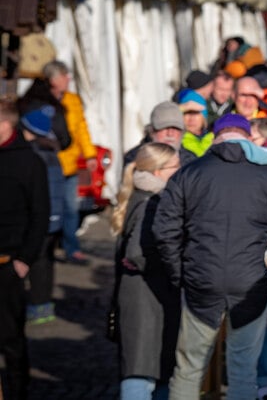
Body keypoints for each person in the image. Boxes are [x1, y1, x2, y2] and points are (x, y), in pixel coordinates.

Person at [152, 114, 267, 400]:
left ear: (216, 137)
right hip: (252, 283)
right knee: (243, 368)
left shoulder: (189, 173)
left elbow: (164, 230)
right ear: (247, 138)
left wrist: (180, 273)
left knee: (189, 368)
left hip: (201, 280)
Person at [112, 143, 181, 400]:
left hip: (143, 295)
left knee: (153, 369)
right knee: (140, 373)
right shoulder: (152, 201)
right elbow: (136, 253)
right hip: (146, 298)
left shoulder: (142, 193)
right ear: (157, 171)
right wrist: (176, 268)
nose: (180, 170)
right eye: (175, 166)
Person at [0, 99, 50, 400]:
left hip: (8, 262)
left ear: (6, 124)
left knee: (10, 338)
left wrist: (24, 259)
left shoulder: (29, 161)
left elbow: (40, 214)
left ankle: (18, 392)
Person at [29, 61, 97, 264]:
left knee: (70, 208)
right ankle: (42, 248)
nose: (68, 79)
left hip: (69, 164)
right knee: (45, 207)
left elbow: (81, 128)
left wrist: (90, 154)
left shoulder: (73, 101)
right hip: (47, 165)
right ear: (53, 79)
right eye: (64, 75)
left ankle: (70, 247)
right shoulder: (40, 102)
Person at [20, 107, 65, 324]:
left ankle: (37, 306)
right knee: (47, 261)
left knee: (36, 262)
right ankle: (45, 304)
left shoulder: (34, 156)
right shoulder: (52, 154)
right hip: (55, 217)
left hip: (42, 217)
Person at [123, 101, 197, 168]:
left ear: (182, 132)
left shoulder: (191, 162)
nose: (170, 134)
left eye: (175, 128)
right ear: (151, 131)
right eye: (164, 127)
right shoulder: (135, 159)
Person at [177, 90, 213, 157]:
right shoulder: (177, 140)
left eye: (195, 113)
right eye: (187, 113)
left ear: (203, 117)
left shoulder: (215, 138)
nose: (191, 119)